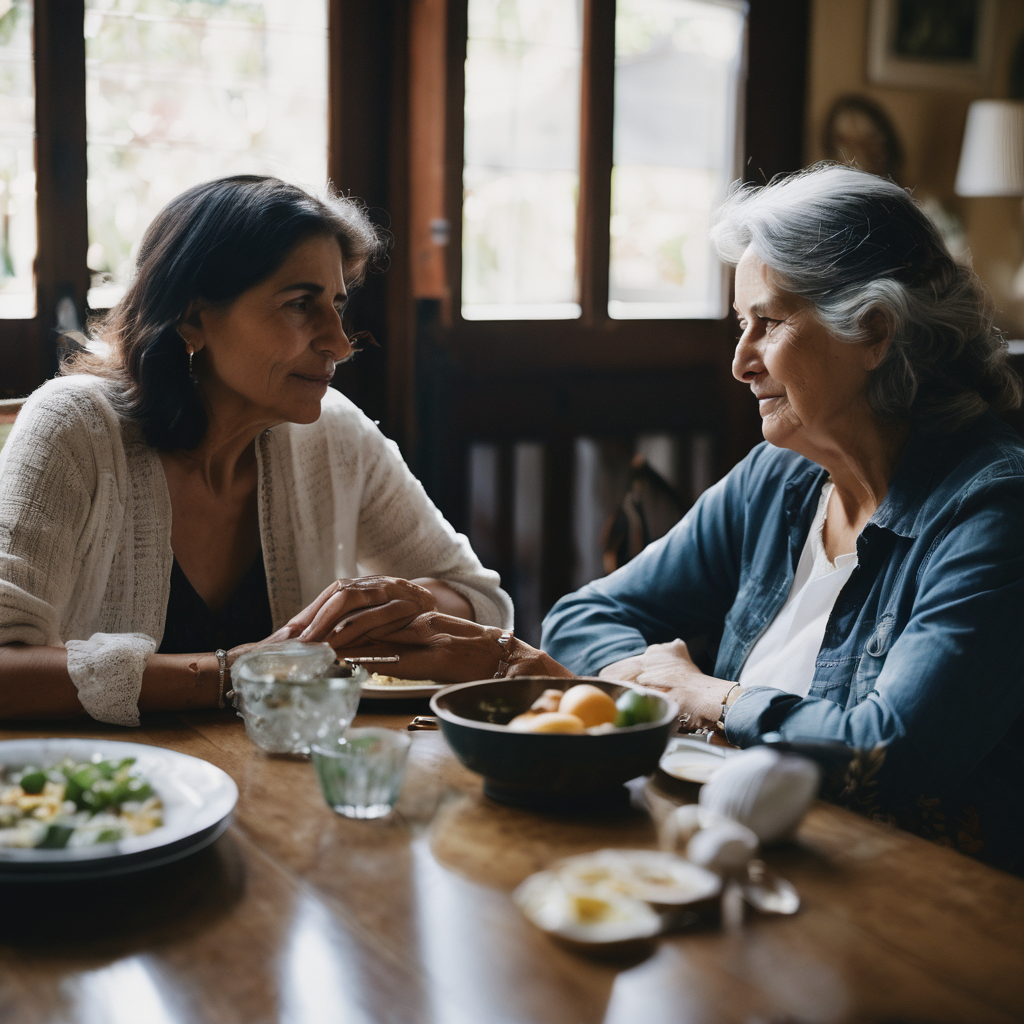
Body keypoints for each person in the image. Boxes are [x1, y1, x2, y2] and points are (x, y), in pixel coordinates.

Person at [536, 164, 1024, 874]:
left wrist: (710, 697)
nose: (740, 363)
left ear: (875, 331)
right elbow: (584, 614)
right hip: (755, 854)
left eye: (767, 323)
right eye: (742, 325)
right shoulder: (783, 477)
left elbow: (886, 755)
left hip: (919, 902)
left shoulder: (992, 508)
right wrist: (653, 682)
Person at [0, 176, 511, 726]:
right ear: (193, 316)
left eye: (337, 305)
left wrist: (380, 603)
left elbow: (477, 599)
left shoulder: (336, 435)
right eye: (299, 304)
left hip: (289, 783)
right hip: (112, 794)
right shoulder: (75, 427)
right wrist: (231, 674)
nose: (339, 343)